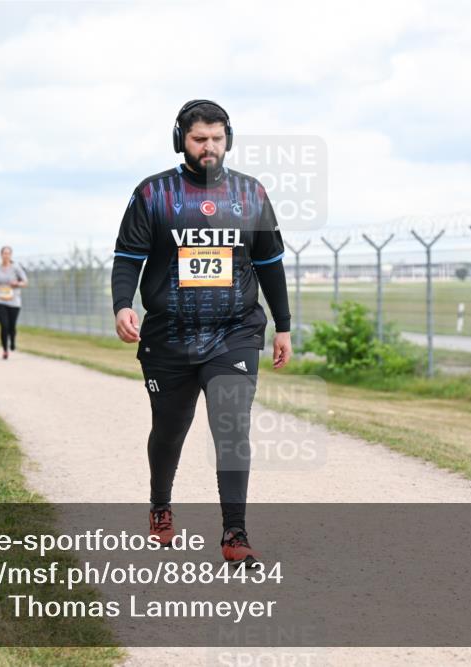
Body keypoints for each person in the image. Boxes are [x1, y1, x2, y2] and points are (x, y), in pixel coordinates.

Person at [111, 100, 292, 566]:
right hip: (168, 335)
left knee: (230, 426)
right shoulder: (153, 194)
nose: (208, 147)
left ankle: (235, 532)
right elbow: (128, 259)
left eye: (216, 138)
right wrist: (122, 306)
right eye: (198, 139)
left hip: (234, 331)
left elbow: (270, 264)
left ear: (227, 139)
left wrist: (284, 326)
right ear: (181, 141)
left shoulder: (251, 194)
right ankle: (160, 507)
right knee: (170, 430)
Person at [0, 246, 29, 360]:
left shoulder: (16, 268)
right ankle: (5, 350)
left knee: (11, 326)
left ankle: (12, 340)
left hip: (14, 301)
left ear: (11, 255)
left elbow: (25, 282)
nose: (6, 255)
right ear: (1, 255)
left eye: (8, 253)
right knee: (4, 325)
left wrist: (17, 283)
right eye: (4, 253)